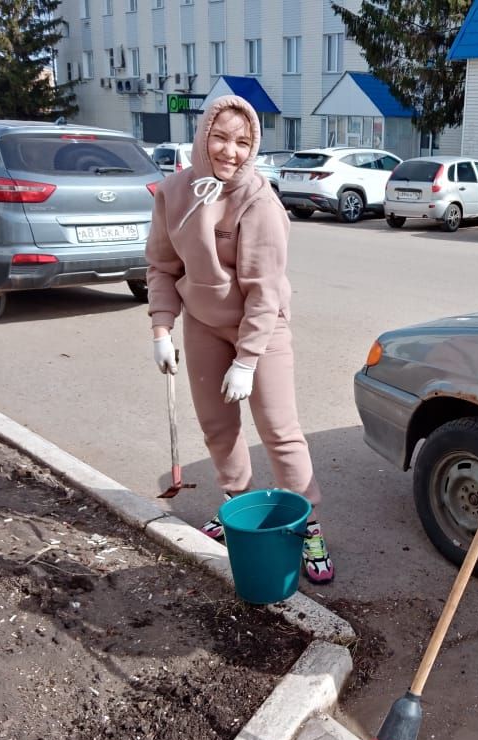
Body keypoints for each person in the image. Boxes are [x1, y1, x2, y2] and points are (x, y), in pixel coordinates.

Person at [145, 94, 334, 583]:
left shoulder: (258, 200)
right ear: (203, 136)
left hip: (261, 328)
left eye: (243, 142)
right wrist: (161, 329)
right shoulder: (173, 193)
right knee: (218, 425)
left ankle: (307, 523)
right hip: (203, 323)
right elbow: (163, 267)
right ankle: (237, 505)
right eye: (222, 137)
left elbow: (264, 291)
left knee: (278, 428)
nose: (231, 151)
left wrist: (247, 360)